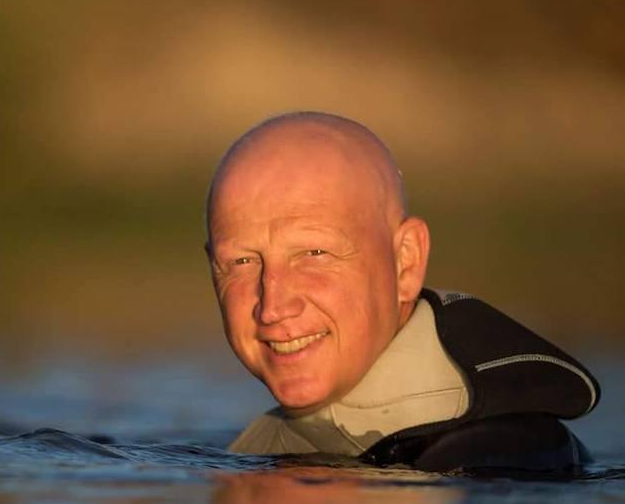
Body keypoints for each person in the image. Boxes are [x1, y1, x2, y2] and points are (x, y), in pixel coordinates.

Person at [207, 112, 600, 472]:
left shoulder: (506, 456)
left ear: (405, 262)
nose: (273, 306)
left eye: (314, 253)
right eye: (242, 263)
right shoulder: (259, 448)